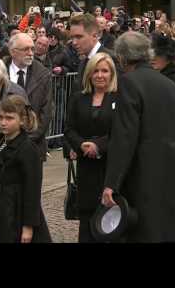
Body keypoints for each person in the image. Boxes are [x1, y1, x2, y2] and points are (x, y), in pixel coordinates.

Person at [101, 31, 175, 243]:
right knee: (170, 229)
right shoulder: (172, 85)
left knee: (146, 232)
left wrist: (111, 183)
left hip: (143, 174)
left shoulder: (129, 83)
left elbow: (124, 137)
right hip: (173, 171)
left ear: (121, 58)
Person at [0, 95, 52, 243]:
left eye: (9, 118)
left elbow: (32, 190)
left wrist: (28, 226)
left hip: (14, 211)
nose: (3, 122)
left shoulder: (28, 149)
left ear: (22, 120)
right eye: (0, 117)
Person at [64, 52, 118, 242]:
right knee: (87, 221)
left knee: (110, 218)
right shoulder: (79, 98)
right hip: (86, 169)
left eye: (104, 71)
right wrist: (81, 144)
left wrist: (98, 146)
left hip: (110, 168)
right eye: (95, 71)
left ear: (111, 74)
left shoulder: (119, 99)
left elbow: (121, 132)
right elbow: (69, 129)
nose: (100, 75)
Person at [5, 33, 53, 163]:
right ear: (13, 52)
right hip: (3, 146)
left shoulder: (43, 74)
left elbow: (46, 111)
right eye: (26, 49)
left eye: (32, 48)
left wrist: (27, 140)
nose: (31, 53)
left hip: (33, 147)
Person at [70, 13, 117, 91]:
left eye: (79, 37)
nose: (74, 42)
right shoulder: (83, 62)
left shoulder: (111, 60)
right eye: (72, 37)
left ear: (95, 36)